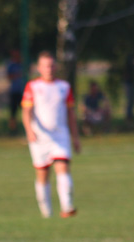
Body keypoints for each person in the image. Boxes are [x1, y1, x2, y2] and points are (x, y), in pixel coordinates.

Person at [22, 52, 80, 219]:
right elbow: (27, 111)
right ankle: (46, 212)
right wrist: (29, 130)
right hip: (40, 138)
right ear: (39, 68)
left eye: (52, 65)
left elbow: (70, 113)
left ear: (56, 67)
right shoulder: (33, 86)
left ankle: (67, 207)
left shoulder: (64, 87)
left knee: (62, 167)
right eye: (45, 65)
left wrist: (75, 137)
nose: (49, 68)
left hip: (60, 136)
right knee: (43, 174)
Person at [6, 49, 25, 133]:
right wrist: (18, 75)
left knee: (26, 111)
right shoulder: (11, 64)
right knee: (13, 112)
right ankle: (13, 130)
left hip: (24, 92)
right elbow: (9, 76)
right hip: (14, 91)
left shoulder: (23, 64)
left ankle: (26, 129)